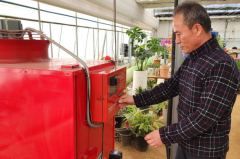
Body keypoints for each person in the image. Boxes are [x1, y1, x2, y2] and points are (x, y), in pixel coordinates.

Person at [118, 1, 240, 159]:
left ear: (197, 29)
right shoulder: (194, 58)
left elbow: (204, 118)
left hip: (205, 151)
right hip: (185, 143)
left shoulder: (222, 64)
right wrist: (135, 99)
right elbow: (169, 87)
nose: (176, 41)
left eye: (178, 34)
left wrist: (164, 135)